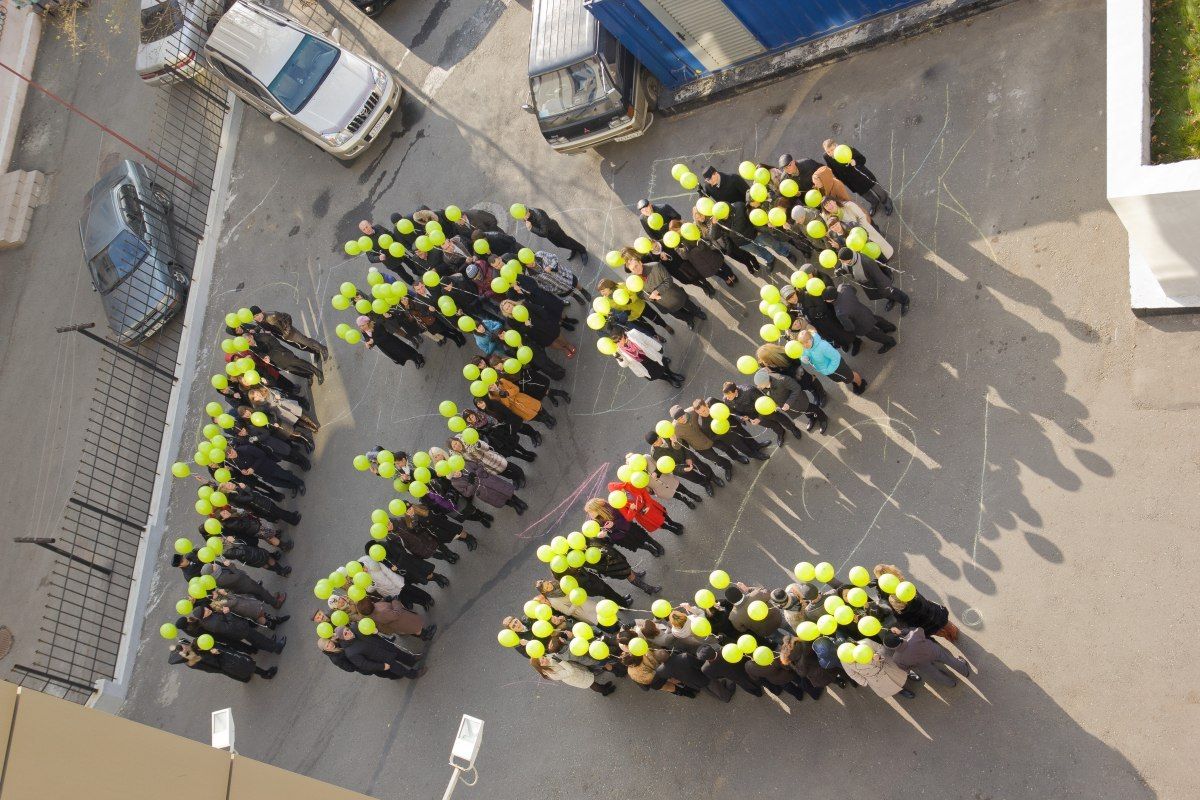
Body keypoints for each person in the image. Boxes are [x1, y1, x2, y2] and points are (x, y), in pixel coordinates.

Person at [623, 250, 707, 329]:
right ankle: (688, 319)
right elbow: (639, 294)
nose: (636, 269)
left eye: (636, 266)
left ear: (640, 262)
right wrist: (650, 297)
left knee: (687, 304)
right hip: (662, 303)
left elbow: (668, 280)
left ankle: (697, 312)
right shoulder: (633, 281)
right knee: (677, 314)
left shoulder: (655, 266)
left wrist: (657, 291)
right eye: (633, 269)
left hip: (674, 294)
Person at [822, 139, 893, 216]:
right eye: (828, 152)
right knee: (865, 194)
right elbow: (833, 169)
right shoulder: (826, 157)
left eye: (832, 150)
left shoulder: (846, 150)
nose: (831, 153)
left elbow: (862, 159)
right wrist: (842, 181)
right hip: (851, 181)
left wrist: (855, 161)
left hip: (861, 174)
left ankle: (886, 201)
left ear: (836, 146)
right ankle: (874, 202)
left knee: (876, 188)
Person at [881, 627, 969, 686]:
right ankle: (964, 670)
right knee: (949, 660)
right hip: (933, 651)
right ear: (898, 637)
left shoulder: (896, 658)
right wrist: (902, 632)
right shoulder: (912, 635)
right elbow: (920, 630)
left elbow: (905, 668)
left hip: (922, 664)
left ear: (891, 648)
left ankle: (950, 683)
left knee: (935, 674)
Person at [753, 368, 829, 435]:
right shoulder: (763, 387)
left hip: (798, 400)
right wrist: (774, 405)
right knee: (803, 411)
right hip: (788, 406)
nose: (758, 387)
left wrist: (788, 403)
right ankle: (812, 418)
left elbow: (797, 388)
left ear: (765, 382)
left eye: (759, 385)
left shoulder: (782, 379)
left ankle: (823, 418)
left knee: (810, 408)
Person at [668, 403, 737, 477]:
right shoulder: (674, 429)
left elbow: (703, 407)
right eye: (678, 419)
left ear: (684, 412)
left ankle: (736, 457)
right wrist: (674, 442)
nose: (681, 420)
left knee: (726, 447)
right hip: (700, 447)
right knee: (716, 459)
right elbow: (677, 446)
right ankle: (728, 467)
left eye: (682, 417)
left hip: (709, 437)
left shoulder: (692, 412)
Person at [721, 381, 795, 447]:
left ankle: (793, 428)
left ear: (735, 390)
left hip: (765, 410)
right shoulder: (726, 400)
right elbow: (734, 412)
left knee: (780, 418)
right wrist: (742, 417)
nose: (727, 398)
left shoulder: (749, 391)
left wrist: (760, 418)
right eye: (726, 396)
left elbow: (764, 403)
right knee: (772, 425)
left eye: (729, 396)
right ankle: (781, 433)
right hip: (753, 417)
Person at [795, 328, 868, 395]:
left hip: (837, 367)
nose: (805, 345)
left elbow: (836, 357)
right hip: (828, 371)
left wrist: (829, 370)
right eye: (802, 343)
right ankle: (853, 381)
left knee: (850, 376)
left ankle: (861, 383)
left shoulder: (822, 346)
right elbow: (809, 359)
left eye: (806, 342)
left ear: (811, 338)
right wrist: (805, 359)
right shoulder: (805, 349)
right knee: (845, 378)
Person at [584, 497, 665, 557]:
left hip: (629, 529)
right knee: (638, 544)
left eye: (590, 512)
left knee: (645, 537)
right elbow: (597, 532)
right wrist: (601, 533)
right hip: (620, 537)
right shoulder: (594, 520)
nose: (589, 515)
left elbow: (625, 518)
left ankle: (657, 545)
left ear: (597, 509)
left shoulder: (612, 508)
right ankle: (650, 549)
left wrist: (613, 524)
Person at [693, 397, 770, 461]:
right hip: (728, 436)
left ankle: (756, 446)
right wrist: (724, 431)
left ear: (706, 405)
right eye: (700, 413)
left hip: (733, 424)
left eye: (703, 410)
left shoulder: (712, 401)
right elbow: (712, 437)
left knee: (746, 435)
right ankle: (754, 455)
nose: (703, 414)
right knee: (741, 446)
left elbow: (727, 408)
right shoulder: (704, 424)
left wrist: (738, 417)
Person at [837, 247, 909, 314]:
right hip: (868, 283)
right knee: (882, 294)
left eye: (842, 260)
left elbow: (878, 277)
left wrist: (884, 288)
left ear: (848, 259)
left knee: (889, 292)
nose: (841, 262)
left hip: (877, 282)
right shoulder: (850, 260)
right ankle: (892, 299)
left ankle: (905, 300)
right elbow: (848, 268)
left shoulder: (866, 262)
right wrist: (841, 271)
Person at [337, 626, 426, 679]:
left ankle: (412, 660)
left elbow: (369, 632)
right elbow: (365, 664)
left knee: (400, 653)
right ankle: (413, 674)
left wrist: (374, 632)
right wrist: (382, 666)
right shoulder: (350, 652)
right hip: (381, 658)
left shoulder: (356, 628)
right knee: (398, 668)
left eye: (347, 629)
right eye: (345, 633)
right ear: (342, 638)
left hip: (385, 646)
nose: (349, 632)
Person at [832, 282, 897, 354]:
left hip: (860, 324)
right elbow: (854, 290)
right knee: (876, 319)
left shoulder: (840, 312)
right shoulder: (843, 287)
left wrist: (849, 330)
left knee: (874, 335)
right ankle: (890, 327)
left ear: (830, 299)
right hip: (864, 311)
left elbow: (850, 327)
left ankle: (890, 342)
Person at [842, 638, 918, 699]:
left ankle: (908, 673)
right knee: (891, 687)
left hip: (885, 664)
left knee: (900, 671)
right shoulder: (845, 660)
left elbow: (881, 647)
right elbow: (852, 674)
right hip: (874, 678)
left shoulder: (866, 642)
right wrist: (864, 682)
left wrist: (878, 655)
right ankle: (900, 690)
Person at [195, 603, 286, 653]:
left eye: (205, 608)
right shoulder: (214, 623)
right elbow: (230, 627)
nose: (207, 609)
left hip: (239, 630)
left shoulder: (207, 620)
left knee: (256, 640)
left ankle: (269, 646)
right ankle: (276, 647)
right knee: (258, 638)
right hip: (240, 630)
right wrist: (227, 613)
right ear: (203, 616)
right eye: (205, 611)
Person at [168, 640, 276, 681]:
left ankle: (245, 678)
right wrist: (214, 653)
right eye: (182, 648)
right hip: (224, 664)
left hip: (223, 665)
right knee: (246, 665)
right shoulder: (196, 658)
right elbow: (212, 663)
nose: (183, 647)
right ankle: (266, 674)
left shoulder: (190, 658)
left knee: (239, 670)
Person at [611, 328, 685, 387]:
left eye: (620, 339)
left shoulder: (633, 333)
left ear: (623, 334)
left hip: (649, 356)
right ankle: (668, 379)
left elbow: (647, 340)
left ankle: (671, 374)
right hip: (641, 365)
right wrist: (619, 357)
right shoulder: (616, 351)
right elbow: (624, 364)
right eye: (616, 342)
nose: (619, 343)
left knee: (663, 364)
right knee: (655, 374)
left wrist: (658, 348)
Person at [246, 329, 323, 385]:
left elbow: (276, 343)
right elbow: (259, 353)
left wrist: (268, 355)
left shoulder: (262, 337)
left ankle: (318, 373)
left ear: (251, 336)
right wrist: (264, 356)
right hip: (276, 362)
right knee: (294, 370)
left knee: (300, 363)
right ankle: (309, 375)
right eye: (247, 343)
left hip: (283, 355)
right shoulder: (251, 347)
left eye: (249, 341)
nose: (249, 344)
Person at [651, 649, 731, 701]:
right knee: (714, 685)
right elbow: (699, 664)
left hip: (691, 683)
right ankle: (726, 696)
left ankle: (719, 695)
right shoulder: (684, 656)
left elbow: (672, 679)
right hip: (702, 676)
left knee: (707, 690)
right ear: (667, 652)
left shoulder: (661, 671)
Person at [607, 479, 683, 535]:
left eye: (622, 488)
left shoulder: (630, 485)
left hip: (650, 506)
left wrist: (648, 505)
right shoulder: (619, 503)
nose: (623, 491)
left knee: (663, 514)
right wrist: (631, 509)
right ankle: (671, 529)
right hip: (643, 515)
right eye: (620, 491)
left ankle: (672, 523)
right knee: (659, 523)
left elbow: (644, 492)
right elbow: (628, 518)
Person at [250, 306, 328, 360]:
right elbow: (261, 326)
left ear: (261, 311)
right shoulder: (258, 321)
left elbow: (287, 317)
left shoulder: (273, 315)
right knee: (300, 347)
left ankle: (323, 349)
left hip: (290, 333)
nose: (257, 318)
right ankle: (315, 351)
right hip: (282, 336)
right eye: (254, 317)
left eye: (257, 315)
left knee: (306, 341)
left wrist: (287, 332)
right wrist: (255, 330)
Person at [450, 461, 529, 515]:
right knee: (499, 499)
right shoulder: (455, 483)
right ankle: (514, 505)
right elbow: (467, 494)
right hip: (483, 492)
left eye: (455, 470)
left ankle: (519, 501)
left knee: (505, 491)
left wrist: (476, 474)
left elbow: (480, 466)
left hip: (489, 481)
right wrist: (471, 483)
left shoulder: (465, 465)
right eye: (453, 474)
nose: (456, 473)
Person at [520, 206, 589, 264]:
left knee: (567, 241)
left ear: (526, 211)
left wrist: (531, 228)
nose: (523, 219)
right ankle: (574, 248)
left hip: (554, 230)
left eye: (523, 216)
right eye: (521, 217)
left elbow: (544, 233)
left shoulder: (539, 215)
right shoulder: (527, 216)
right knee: (559, 244)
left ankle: (582, 250)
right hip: (549, 234)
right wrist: (528, 222)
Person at [203, 560, 285, 608]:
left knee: (258, 594)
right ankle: (276, 603)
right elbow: (238, 576)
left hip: (242, 585)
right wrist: (230, 565)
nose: (214, 564)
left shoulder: (217, 575)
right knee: (262, 591)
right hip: (245, 585)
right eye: (212, 566)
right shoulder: (221, 579)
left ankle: (270, 600)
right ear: (212, 571)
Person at [356, 315, 426, 368]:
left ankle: (419, 357)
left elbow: (385, 336)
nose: (362, 327)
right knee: (401, 355)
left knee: (406, 351)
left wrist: (374, 341)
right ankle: (414, 360)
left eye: (363, 325)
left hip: (392, 342)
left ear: (368, 323)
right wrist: (369, 345)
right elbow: (368, 340)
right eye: (360, 326)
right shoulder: (363, 331)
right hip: (385, 347)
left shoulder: (377, 325)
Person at [487, 378, 557, 430]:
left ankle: (549, 417)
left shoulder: (502, 381)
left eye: (491, 384)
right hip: (517, 409)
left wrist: (507, 393)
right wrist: (503, 397)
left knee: (539, 408)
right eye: (490, 388)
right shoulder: (492, 397)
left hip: (523, 399)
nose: (492, 387)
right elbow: (506, 406)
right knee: (534, 417)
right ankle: (545, 421)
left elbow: (516, 388)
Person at [696, 644, 763, 697]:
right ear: (712, 648)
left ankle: (758, 693)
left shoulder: (705, 669)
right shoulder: (726, 649)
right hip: (745, 668)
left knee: (747, 686)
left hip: (736, 678)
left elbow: (716, 677)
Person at [531, 655, 615, 694]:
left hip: (578, 671)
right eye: (542, 662)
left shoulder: (549, 658)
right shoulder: (552, 674)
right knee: (591, 683)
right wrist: (561, 661)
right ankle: (605, 691)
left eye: (542, 658)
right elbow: (570, 671)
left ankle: (603, 687)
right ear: (540, 667)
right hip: (574, 677)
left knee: (591, 680)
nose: (544, 660)